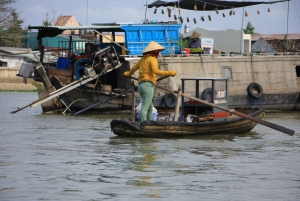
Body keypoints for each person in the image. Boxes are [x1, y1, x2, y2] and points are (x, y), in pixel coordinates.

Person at [123, 41, 177, 122]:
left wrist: (128, 74)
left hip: (141, 85)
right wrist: (169, 72)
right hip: (148, 85)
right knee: (145, 106)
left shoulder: (142, 59)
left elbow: (134, 68)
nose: (158, 54)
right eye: (157, 52)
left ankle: (150, 122)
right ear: (152, 52)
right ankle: (143, 124)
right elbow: (156, 71)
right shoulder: (153, 59)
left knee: (150, 106)